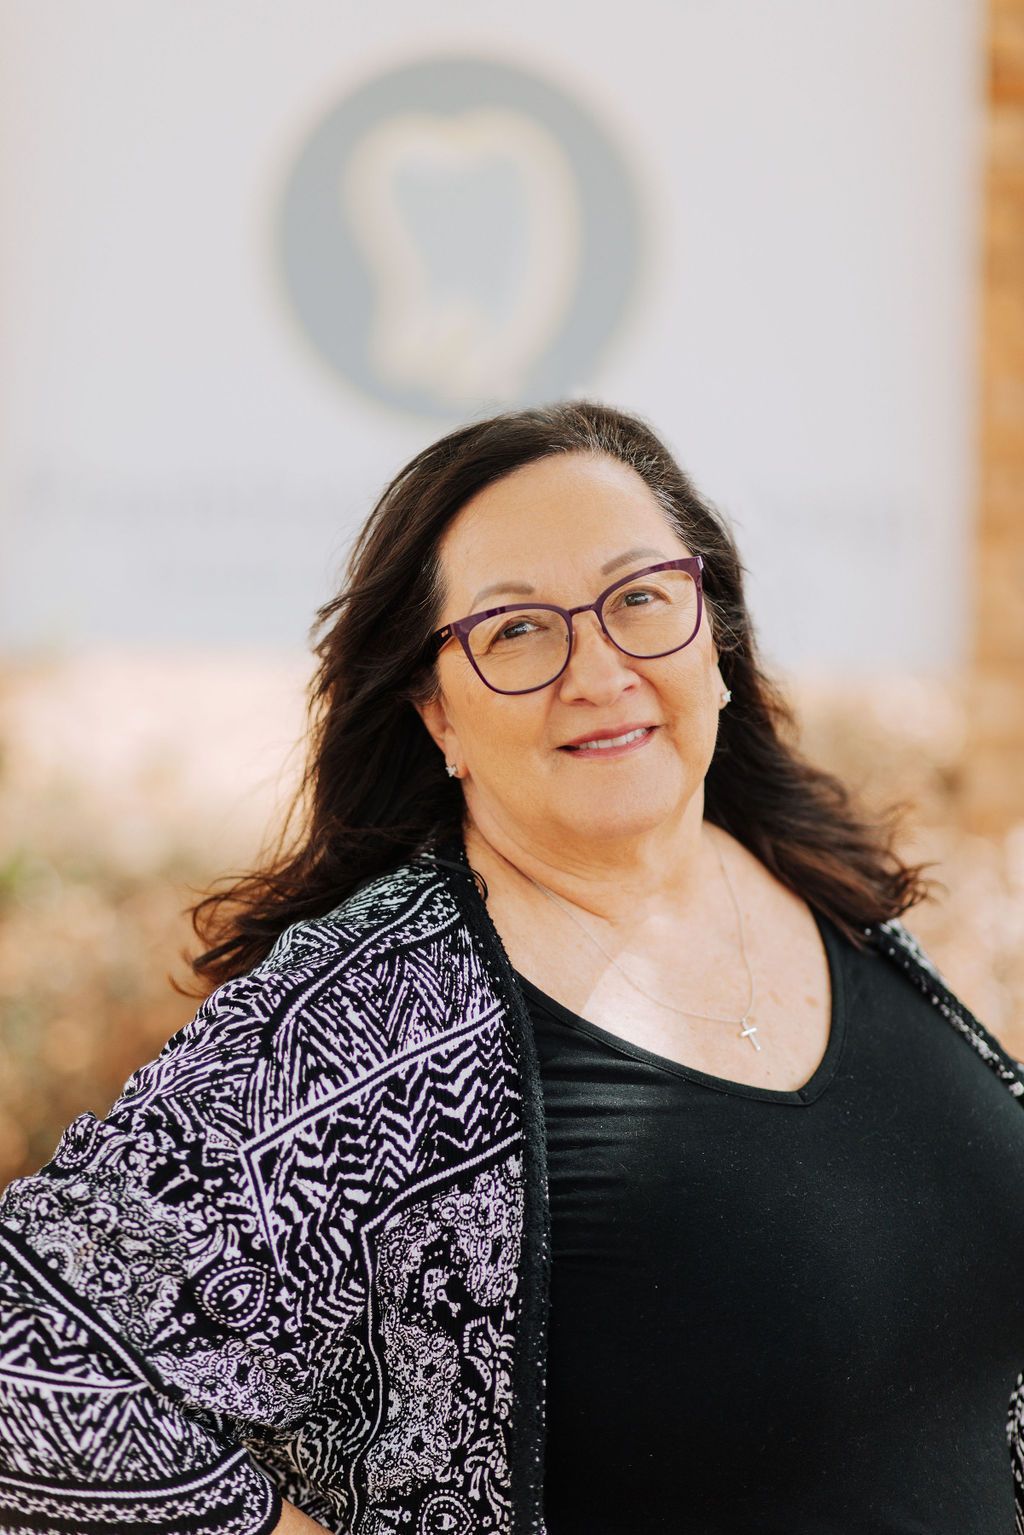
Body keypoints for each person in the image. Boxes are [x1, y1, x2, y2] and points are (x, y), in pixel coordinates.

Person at [0, 400, 1022, 1535]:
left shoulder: (820, 885)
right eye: (518, 630)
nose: (599, 669)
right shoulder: (368, 1010)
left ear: (715, 638)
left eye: (641, 599)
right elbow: (31, 1370)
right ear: (437, 712)